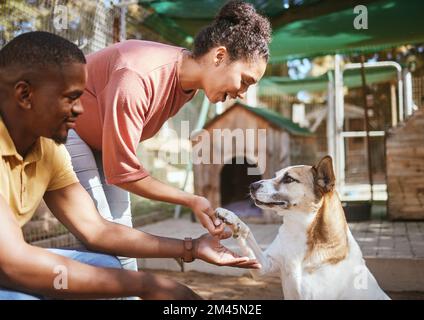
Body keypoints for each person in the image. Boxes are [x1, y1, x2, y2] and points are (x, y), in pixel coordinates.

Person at [0, 31, 260, 300]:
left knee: (108, 264)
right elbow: (12, 264)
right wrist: (148, 286)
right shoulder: (136, 75)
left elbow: (97, 230)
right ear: (24, 95)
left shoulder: (47, 149)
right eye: (70, 98)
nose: (80, 110)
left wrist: (191, 248)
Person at [67, 0, 272, 271]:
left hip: (100, 143)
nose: (242, 93)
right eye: (244, 80)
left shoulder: (188, 85)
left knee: (121, 234)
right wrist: (190, 199)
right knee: (104, 236)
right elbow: (122, 172)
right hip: (67, 130)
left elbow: (119, 167)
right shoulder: (137, 77)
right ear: (219, 56)